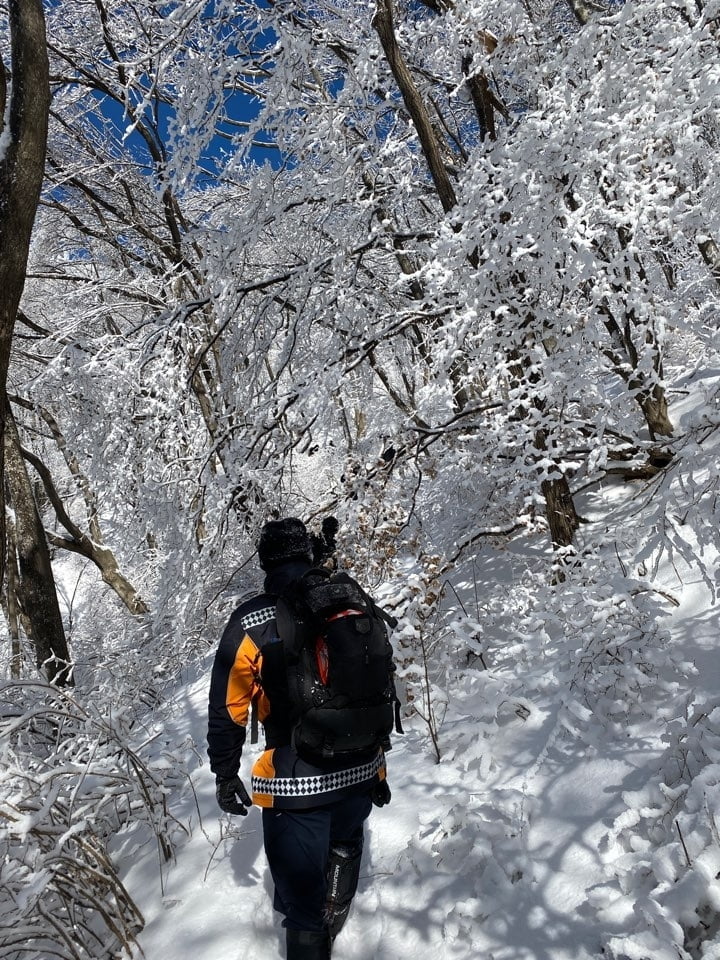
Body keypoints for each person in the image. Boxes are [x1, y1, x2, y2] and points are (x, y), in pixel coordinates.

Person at [207, 517, 392, 960]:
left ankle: (317, 929)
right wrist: (379, 767)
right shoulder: (349, 601)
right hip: (362, 765)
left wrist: (224, 773)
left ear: (266, 561)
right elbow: (378, 686)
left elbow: (229, 707)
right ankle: (335, 920)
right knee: (345, 844)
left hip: (297, 783)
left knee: (303, 911)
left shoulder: (253, 618)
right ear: (306, 556)